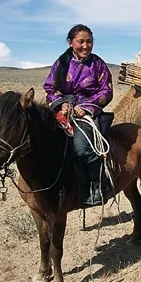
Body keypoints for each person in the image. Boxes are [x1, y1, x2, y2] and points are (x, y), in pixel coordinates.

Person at [43, 24, 114, 208]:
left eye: (89, 41)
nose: (85, 46)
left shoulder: (98, 64)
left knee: (82, 147)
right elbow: (50, 87)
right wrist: (61, 103)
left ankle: (99, 187)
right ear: (70, 42)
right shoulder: (61, 63)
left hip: (86, 111)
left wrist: (86, 107)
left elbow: (106, 90)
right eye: (80, 41)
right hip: (62, 108)